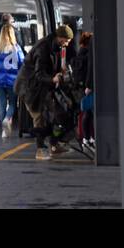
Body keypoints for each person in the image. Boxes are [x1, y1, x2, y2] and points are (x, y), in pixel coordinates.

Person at [16, 24, 75, 160]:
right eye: (66, 41)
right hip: (29, 87)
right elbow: (39, 74)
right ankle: (40, 150)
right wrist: (53, 78)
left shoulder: (55, 46)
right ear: (60, 37)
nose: (66, 44)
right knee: (39, 117)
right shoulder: (42, 48)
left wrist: (60, 72)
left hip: (41, 87)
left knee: (55, 114)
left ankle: (54, 145)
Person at [73, 31, 95, 146]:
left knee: (87, 112)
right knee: (89, 113)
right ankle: (87, 137)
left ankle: (86, 137)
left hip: (81, 87)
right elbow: (89, 71)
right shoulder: (87, 54)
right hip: (87, 87)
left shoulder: (79, 54)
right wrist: (89, 86)